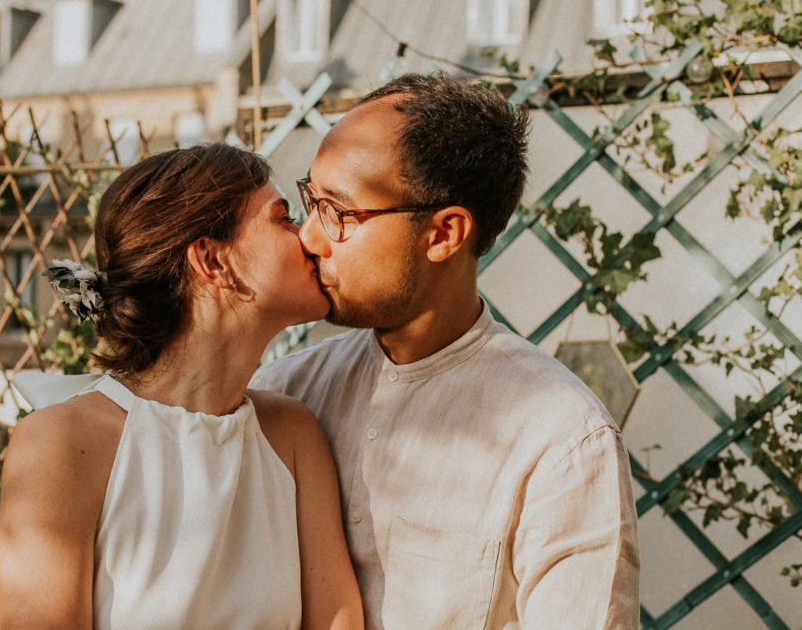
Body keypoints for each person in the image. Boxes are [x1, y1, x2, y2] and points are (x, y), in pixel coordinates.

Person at [251, 74, 640, 629]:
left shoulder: (559, 439)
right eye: (310, 201)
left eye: (339, 212)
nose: (311, 237)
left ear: (443, 235)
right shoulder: (287, 391)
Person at [0, 144, 363, 629]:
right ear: (212, 260)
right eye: (284, 218)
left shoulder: (292, 434)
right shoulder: (61, 444)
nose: (312, 239)